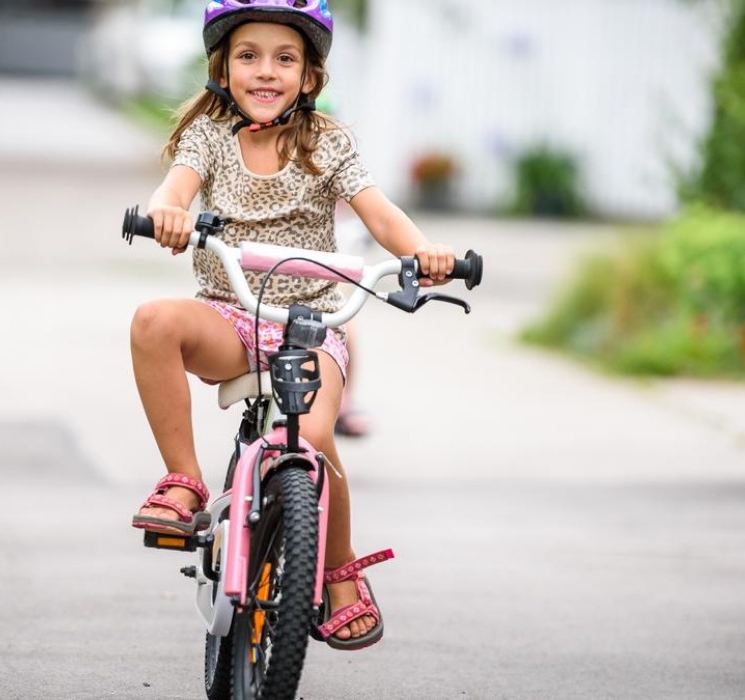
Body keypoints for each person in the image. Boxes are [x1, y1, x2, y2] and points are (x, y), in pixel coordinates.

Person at [129, 0, 455, 650]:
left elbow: (381, 215)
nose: (266, 71)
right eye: (249, 56)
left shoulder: (326, 144)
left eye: (285, 58)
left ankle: (338, 572)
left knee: (314, 437)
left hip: (308, 324)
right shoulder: (209, 138)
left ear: (309, 76)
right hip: (230, 314)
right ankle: (183, 482)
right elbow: (175, 189)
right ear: (224, 67)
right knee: (152, 322)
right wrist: (166, 213)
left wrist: (421, 254)